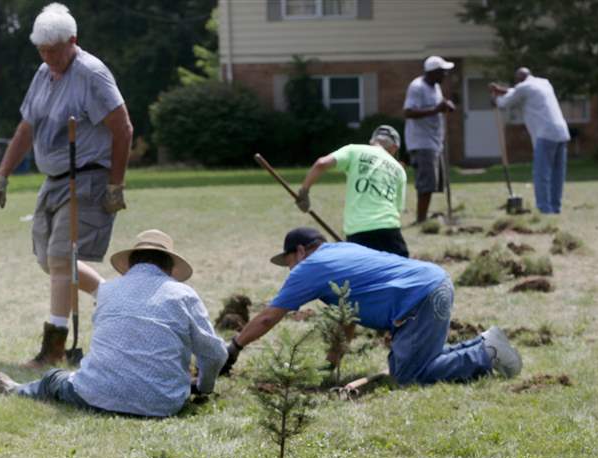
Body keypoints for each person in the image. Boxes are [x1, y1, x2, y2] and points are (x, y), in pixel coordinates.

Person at [0, 3, 133, 367]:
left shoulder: (92, 74)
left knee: (60, 258)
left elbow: (123, 129)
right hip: (53, 180)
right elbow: (26, 128)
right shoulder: (43, 73)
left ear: (73, 41)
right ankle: (115, 297)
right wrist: (1, 174)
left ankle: (53, 349)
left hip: (87, 177)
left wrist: (115, 185)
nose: (48, 56)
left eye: (54, 49)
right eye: (42, 49)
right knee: (49, 263)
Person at [221, 228, 522, 386]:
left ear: (300, 251)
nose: (289, 270)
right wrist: (331, 364)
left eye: (288, 262)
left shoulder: (309, 267)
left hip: (419, 299)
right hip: (433, 283)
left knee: (408, 376)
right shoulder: (342, 250)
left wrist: (234, 346)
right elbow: (347, 319)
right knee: (417, 362)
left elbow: (268, 317)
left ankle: (484, 353)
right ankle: (481, 344)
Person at [0, 230, 227, 418]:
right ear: (170, 268)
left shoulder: (108, 290)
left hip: (96, 396)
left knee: (53, 379)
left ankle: (15, 390)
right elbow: (215, 354)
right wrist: (204, 387)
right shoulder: (184, 295)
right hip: (163, 403)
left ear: (130, 264)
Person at [295, 125, 409, 257]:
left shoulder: (355, 150)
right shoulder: (399, 170)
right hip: (390, 230)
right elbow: (398, 209)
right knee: (400, 275)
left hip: (358, 232)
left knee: (363, 276)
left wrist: (304, 192)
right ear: (395, 147)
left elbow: (321, 163)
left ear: (372, 141)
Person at [490, 68, 571, 214]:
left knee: (541, 174)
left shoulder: (523, 88)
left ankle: (544, 209)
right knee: (557, 174)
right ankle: (555, 207)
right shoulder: (544, 83)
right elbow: (517, 91)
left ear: (519, 79)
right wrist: (502, 90)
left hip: (545, 134)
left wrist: (495, 99)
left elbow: (504, 103)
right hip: (562, 132)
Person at [403, 56, 456, 224]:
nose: (445, 75)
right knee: (426, 183)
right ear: (433, 72)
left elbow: (438, 105)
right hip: (421, 141)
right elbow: (408, 112)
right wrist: (436, 109)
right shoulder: (417, 87)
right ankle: (421, 219)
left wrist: (446, 105)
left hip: (434, 141)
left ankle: (423, 217)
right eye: (443, 72)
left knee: (433, 183)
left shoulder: (436, 87)